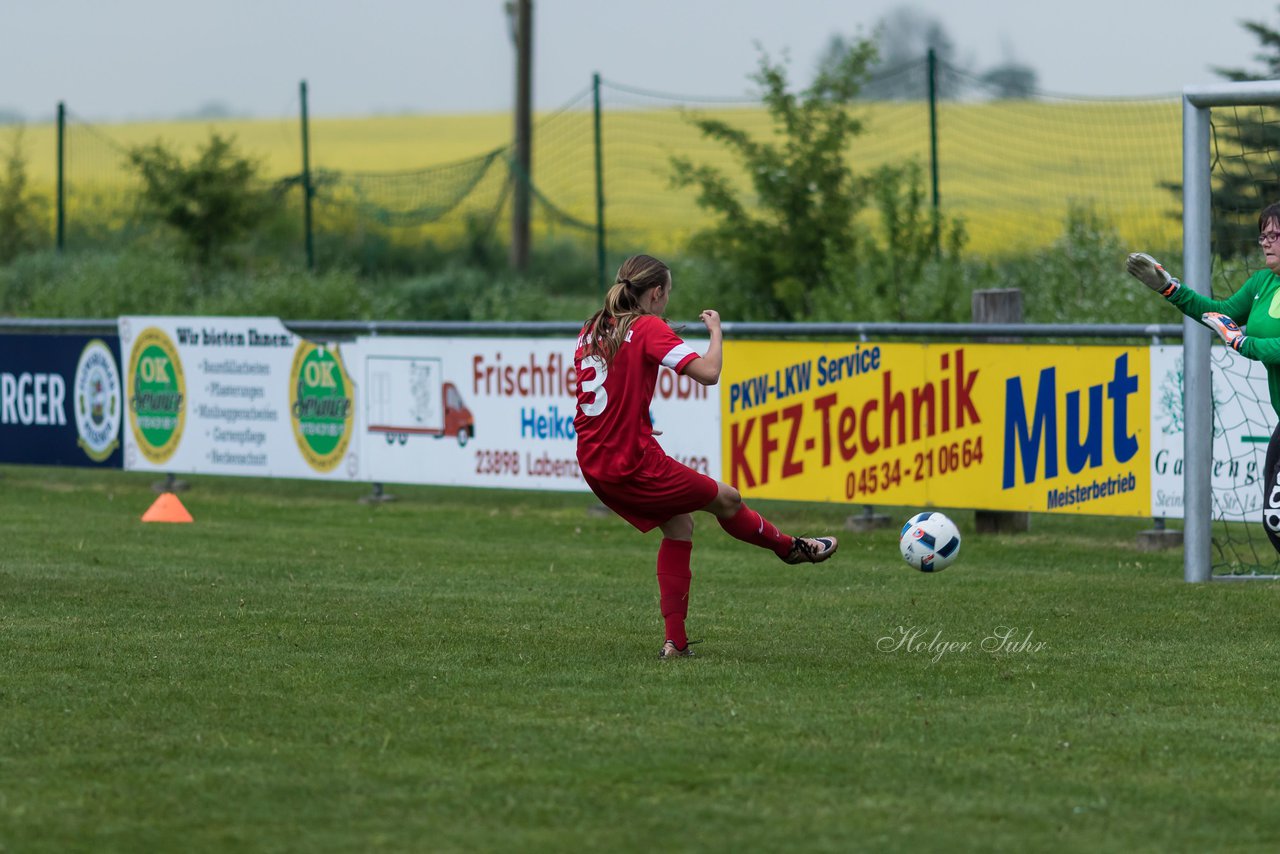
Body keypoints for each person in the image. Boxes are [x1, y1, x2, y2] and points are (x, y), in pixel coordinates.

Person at [573, 254, 839, 660]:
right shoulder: (647, 327)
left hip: (595, 463)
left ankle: (675, 643)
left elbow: (603, 390)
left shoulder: (593, 327)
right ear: (657, 292)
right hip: (631, 463)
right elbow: (709, 372)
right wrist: (716, 332)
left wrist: (631, 423)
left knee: (680, 525)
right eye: (667, 293)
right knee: (727, 498)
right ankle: (790, 548)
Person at [1127, 201, 1280, 552]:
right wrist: (1170, 289)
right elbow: (1222, 313)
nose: (1267, 242)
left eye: (1275, 234)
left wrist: (1244, 342)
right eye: (1263, 235)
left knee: (1276, 517)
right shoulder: (1262, 282)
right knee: (1275, 519)